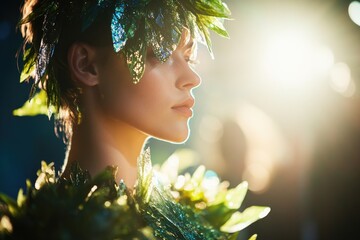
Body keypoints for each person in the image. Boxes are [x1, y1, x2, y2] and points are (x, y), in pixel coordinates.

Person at [0, 0, 270, 239]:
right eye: (161, 53)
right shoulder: (45, 233)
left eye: (189, 57)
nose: (192, 77)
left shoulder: (194, 214)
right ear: (86, 64)